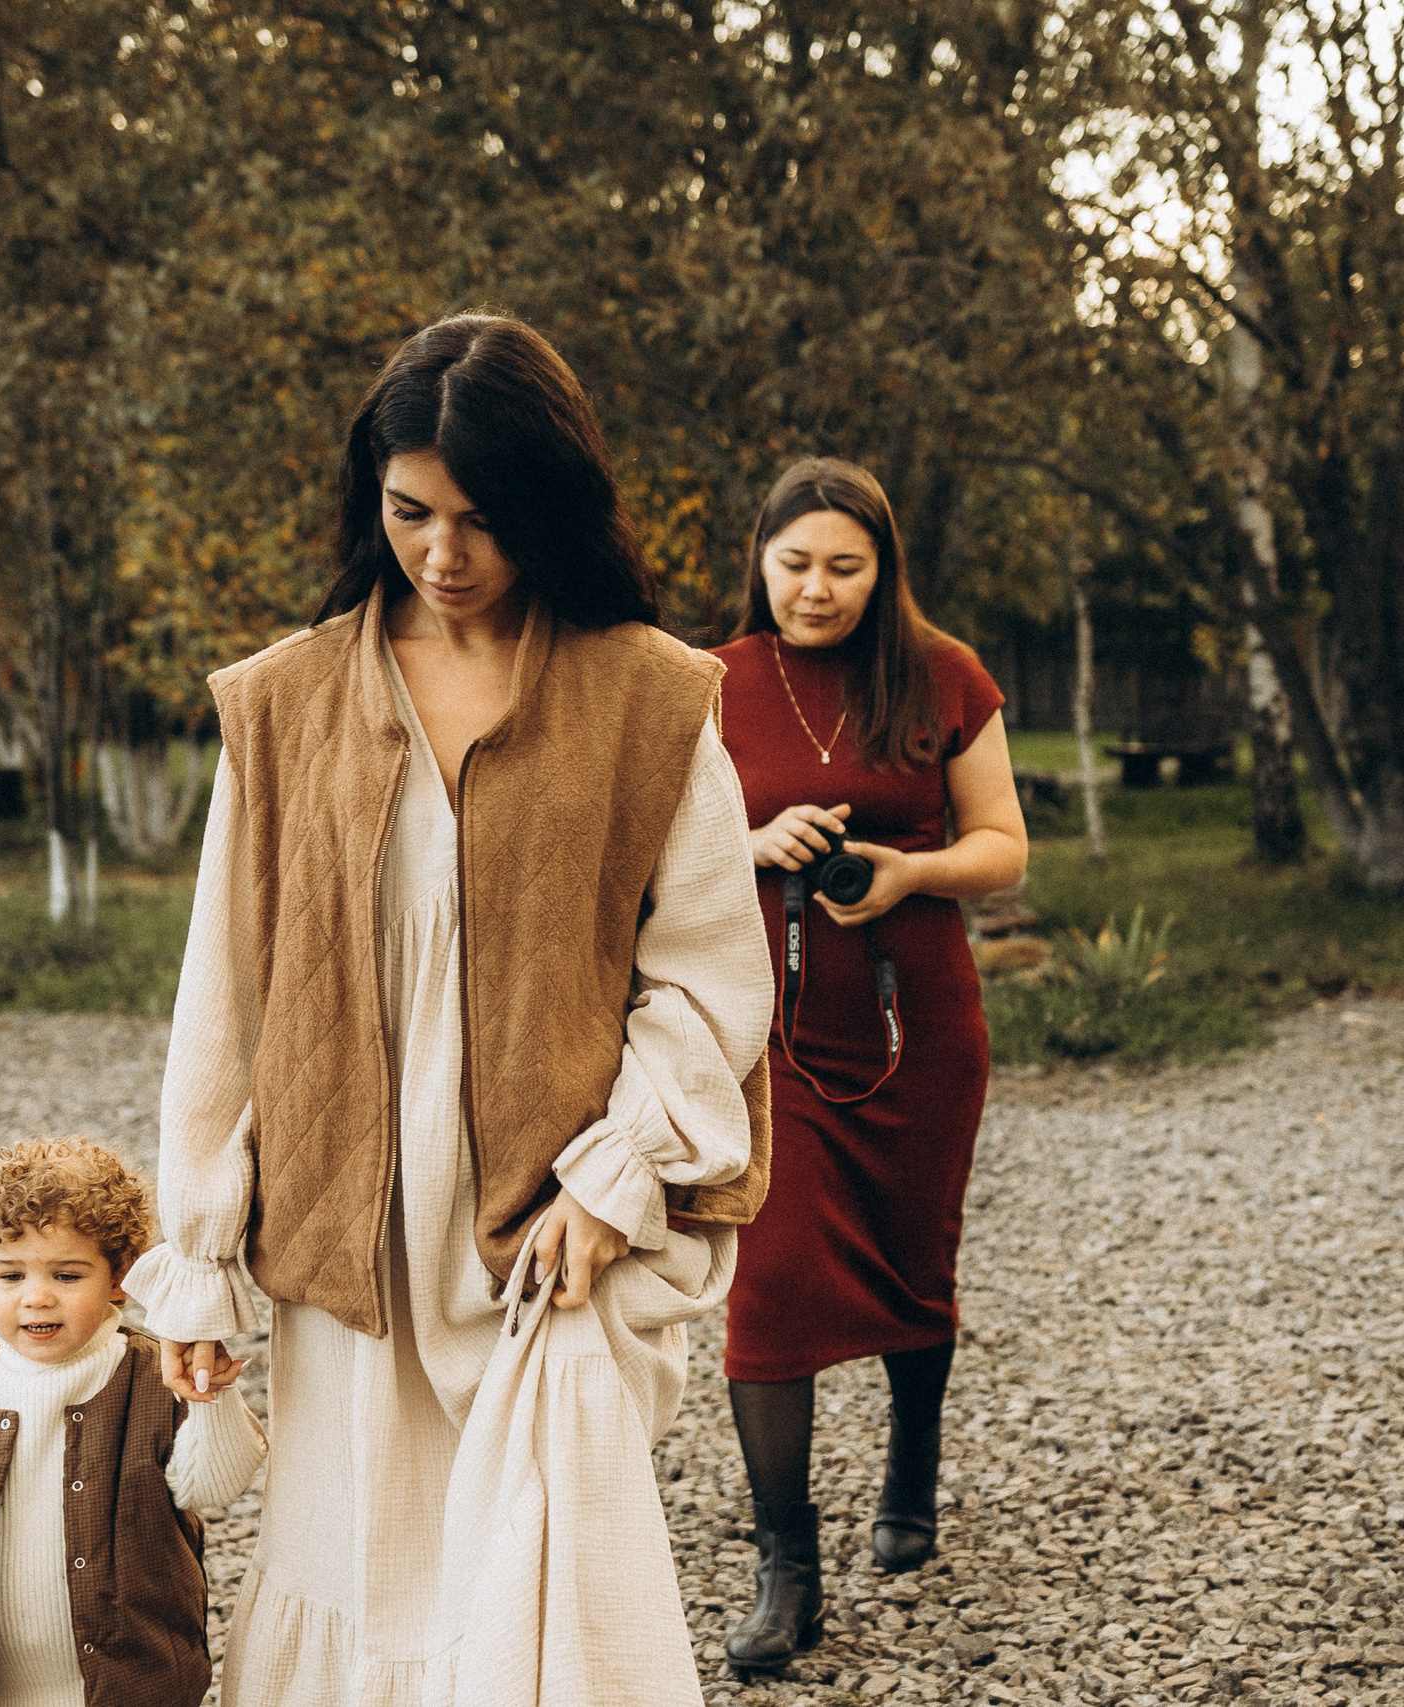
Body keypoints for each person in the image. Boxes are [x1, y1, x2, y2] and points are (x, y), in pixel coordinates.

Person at [124, 314, 774, 1707]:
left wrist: (611, 1180)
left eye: (482, 518)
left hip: (550, 1230)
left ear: (551, 502)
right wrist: (200, 1250)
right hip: (349, 1229)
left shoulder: (651, 696)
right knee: (363, 1572)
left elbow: (710, 972)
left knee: (547, 1590)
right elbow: (225, 994)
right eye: (409, 510)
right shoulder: (284, 702)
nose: (442, 553)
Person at [709, 458, 1028, 1673]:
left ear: (882, 568)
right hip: (773, 1034)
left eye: (845, 567)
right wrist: (751, 843)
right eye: (795, 564)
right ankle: (787, 1569)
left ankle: (911, 1467)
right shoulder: (711, 683)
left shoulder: (943, 675)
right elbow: (653, 852)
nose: (816, 589)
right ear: (760, 560)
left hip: (922, 1026)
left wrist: (908, 872)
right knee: (769, 1282)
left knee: (913, 1252)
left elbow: (1001, 847)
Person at [0, 1136, 265, 1707]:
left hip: (137, 1686)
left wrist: (209, 1396)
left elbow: (212, 1486)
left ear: (120, 1277)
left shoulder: (154, 1377)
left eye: (67, 1276)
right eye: (11, 1276)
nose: (37, 1298)